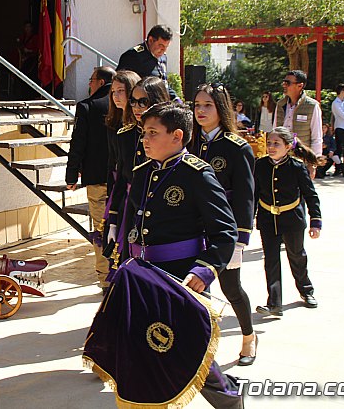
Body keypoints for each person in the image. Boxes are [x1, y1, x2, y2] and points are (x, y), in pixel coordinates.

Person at [125, 102, 244, 408]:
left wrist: (204, 271)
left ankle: (230, 400)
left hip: (181, 277)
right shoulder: (143, 172)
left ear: (177, 136)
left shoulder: (197, 174)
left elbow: (224, 231)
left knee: (191, 350)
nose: (145, 139)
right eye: (144, 132)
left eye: (153, 132)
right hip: (144, 275)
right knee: (145, 348)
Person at [190, 83, 257, 366]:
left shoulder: (236, 148)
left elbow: (245, 195)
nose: (201, 111)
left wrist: (240, 237)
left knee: (231, 288)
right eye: (196, 105)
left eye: (208, 105)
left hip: (224, 231)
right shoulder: (189, 143)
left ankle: (248, 337)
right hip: (192, 228)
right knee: (195, 288)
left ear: (221, 108)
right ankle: (200, 346)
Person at [255, 127, 322, 317]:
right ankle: (274, 303)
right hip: (268, 219)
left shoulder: (297, 167)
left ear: (288, 146)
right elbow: (254, 194)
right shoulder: (260, 165)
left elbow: (310, 195)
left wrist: (315, 220)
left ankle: (306, 290)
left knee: (297, 256)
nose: (271, 147)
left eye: (276, 143)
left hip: (292, 219)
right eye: (269, 143)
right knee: (271, 261)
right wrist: (247, 220)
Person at [106, 76, 169, 268]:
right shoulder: (125, 135)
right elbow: (121, 180)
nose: (137, 107)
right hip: (132, 209)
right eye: (133, 101)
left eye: (143, 101)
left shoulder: (173, 132)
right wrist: (114, 220)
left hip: (165, 208)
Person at [65, 66, 116, 291]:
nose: (89, 84)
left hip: (97, 179)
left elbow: (78, 143)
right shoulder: (124, 106)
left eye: (92, 79)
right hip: (123, 179)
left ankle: (106, 280)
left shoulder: (87, 106)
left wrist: (71, 174)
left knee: (101, 230)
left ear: (101, 81)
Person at [273, 70, 323, 178]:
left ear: (300, 86)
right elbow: (274, 131)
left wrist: (313, 164)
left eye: (288, 83)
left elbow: (317, 137)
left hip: (301, 159)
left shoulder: (312, 106)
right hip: (281, 158)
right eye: (284, 82)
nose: (284, 85)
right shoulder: (280, 104)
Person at [116, 24, 181, 101]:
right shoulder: (133, 56)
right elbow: (121, 83)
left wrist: (175, 98)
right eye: (161, 45)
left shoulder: (162, 56)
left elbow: (163, 82)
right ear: (150, 40)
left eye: (166, 47)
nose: (163, 50)